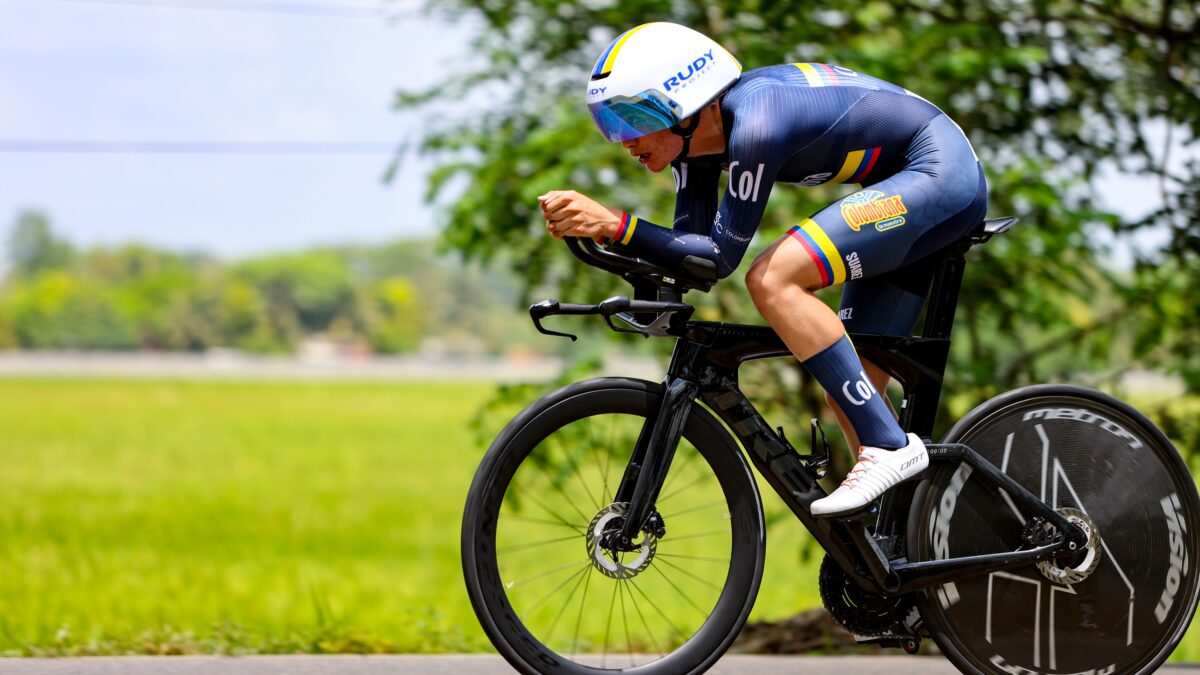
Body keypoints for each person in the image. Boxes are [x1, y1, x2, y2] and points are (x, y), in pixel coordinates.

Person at [538, 22, 988, 517]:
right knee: (849, 385)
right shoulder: (695, 151)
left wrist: (616, 224)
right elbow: (691, 261)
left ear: (684, 106)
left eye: (633, 118)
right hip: (900, 185)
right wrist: (620, 258)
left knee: (773, 277)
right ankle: (903, 547)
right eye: (612, 124)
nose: (624, 139)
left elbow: (720, 258)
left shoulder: (756, 122)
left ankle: (892, 446)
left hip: (939, 173)